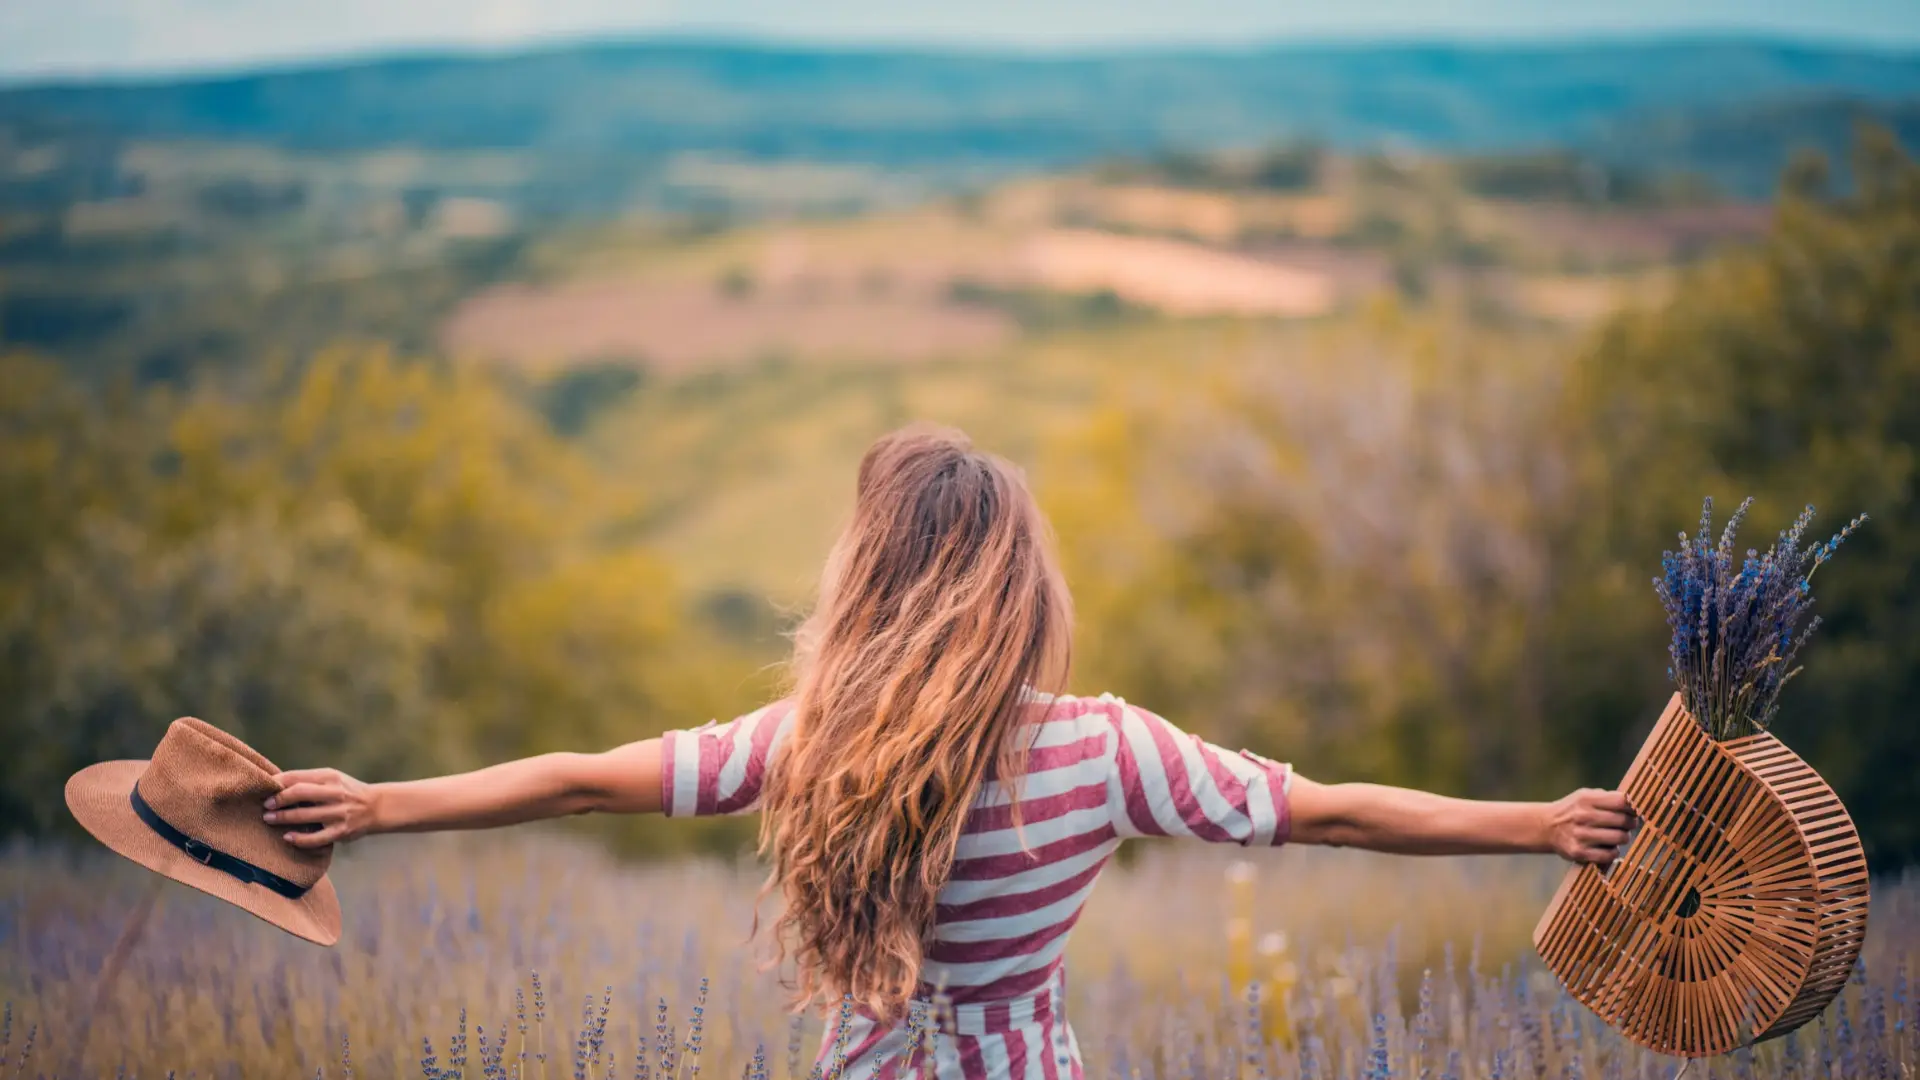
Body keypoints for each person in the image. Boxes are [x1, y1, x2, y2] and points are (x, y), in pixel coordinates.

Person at [265, 425, 1635, 1080]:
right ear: (1019, 586)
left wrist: (374, 804)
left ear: (872, 575)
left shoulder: (811, 746)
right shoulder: (1110, 753)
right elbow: (1326, 814)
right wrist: (1537, 826)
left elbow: (571, 782)